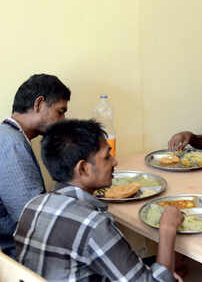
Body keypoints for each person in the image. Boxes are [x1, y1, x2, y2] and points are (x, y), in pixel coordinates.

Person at [14, 119, 184, 281]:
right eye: (107, 157)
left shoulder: (33, 205)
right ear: (83, 169)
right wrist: (167, 229)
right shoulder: (94, 224)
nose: (115, 161)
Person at [0, 74, 70, 258]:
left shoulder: (8, 136)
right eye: (60, 111)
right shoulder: (11, 143)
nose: (62, 120)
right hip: (16, 260)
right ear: (38, 104)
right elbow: (35, 221)